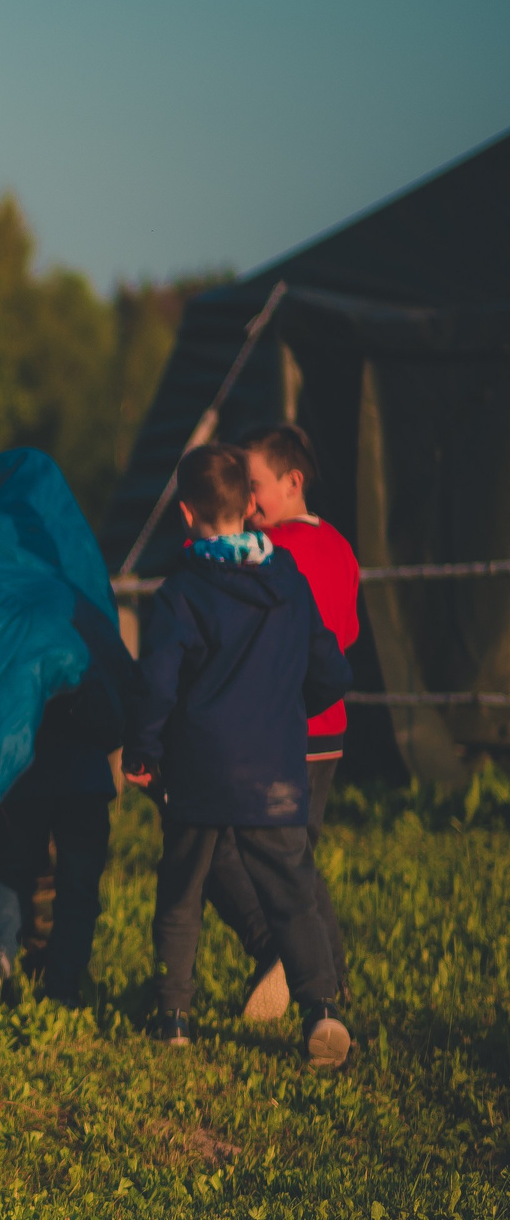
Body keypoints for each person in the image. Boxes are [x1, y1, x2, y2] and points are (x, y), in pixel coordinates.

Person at [126, 443, 354, 1067]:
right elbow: (330, 673)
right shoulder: (290, 581)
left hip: (197, 769)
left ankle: (173, 1016)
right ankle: (322, 1012)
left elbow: (157, 686)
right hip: (278, 768)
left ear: (185, 513)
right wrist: (284, 717)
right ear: (249, 504)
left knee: (181, 891)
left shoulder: (180, 594)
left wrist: (143, 750)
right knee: (292, 892)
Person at [199, 424, 361, 1020]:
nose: (247, 500)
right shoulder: (340, 546)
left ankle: (290, 961)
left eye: (255, 485)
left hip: (284, 730)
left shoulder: (278, 556)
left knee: (234, 848)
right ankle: (329, 983)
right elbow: (345, 635)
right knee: (299, 860)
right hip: (329, 729)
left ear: (293, 482)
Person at [0, 624, 129, 1009]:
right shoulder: (89, 624)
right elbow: (119, 703)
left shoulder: (23, 617)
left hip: (27, 772)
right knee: (78, 887)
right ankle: (63, 987)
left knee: (13, 871)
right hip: (85, 776)